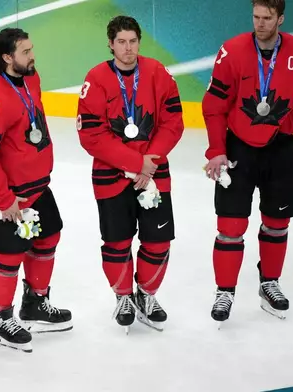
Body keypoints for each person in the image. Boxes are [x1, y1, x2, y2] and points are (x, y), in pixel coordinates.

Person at [0, 27, 72, 353]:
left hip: (38, 188)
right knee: (9, 254)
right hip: (9, 197)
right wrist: (4, 199)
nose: (32, 55)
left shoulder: (30, 77)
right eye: (25, 52)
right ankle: (0, 318)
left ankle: (36, 303)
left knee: (47, 236)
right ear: (6, 57)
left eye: (31, 49)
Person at [76, 16, 184, 333]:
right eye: (121, 42)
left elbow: (173, 121)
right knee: (117, 241)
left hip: (153, 171)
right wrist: (137, 163)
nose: (128, 48)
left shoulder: (158, 73)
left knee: (158, 239)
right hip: (113, 176)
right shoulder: (95, 79)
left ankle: (147, 294)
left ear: (139, 41)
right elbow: (91, 135)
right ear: (111, 44)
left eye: (133, 41)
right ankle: (123, 297)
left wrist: (149, 161)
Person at [202, 0, 293, 324]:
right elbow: (214, 104)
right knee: (230, 227)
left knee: (277, 222)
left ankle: (269, 283)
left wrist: (282, 121)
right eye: (256, 17)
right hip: (238, 149)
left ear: (280, 19)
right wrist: (216, 149)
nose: (259, 23)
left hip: (281, 148)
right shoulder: (232, 51)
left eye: (267, 18)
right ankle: (225, 291)